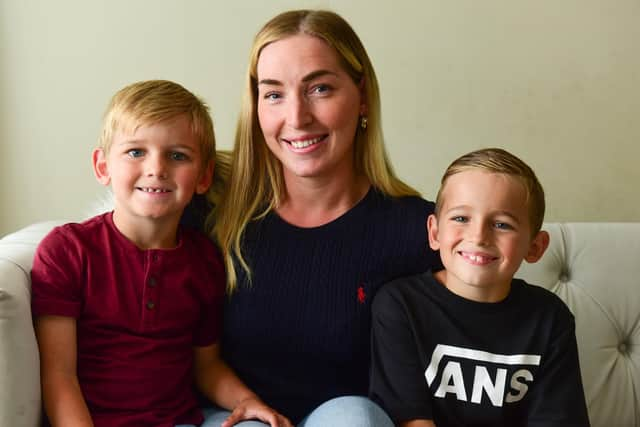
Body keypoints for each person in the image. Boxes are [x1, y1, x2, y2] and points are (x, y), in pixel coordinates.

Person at [199, 9, 441, 427]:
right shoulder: (211, 214)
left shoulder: (420, 232)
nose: (296, 117)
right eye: (273, 94)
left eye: (320, 89)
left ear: (362, 96)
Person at [31, 80, 289, 427]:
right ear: (103, 166)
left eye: (177, 155)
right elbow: (59, 375)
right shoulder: (67, 251)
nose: (156, 168)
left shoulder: (204, 261)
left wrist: (248, 402)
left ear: (203, 176)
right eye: (136, 152)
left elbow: (206, 365)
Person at [369, 148, 591, 426]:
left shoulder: (549, 318)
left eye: (501, 224)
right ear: (435, 232)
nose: (478, 236)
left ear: (535, 247)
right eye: (461, 218)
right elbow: (411, 420)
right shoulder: (400, 305)